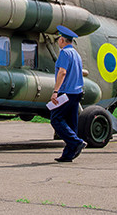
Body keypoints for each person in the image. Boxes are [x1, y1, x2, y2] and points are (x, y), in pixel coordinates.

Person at [50, 25, 86, 162]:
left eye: (59, 38)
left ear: (63, 40)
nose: (58, 41)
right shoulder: (76, 54)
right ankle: (69, 154)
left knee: (56, 119)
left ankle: (76, 142)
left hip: (66, 93)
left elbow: (62, 72)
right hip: (77, 92)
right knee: (72, 123)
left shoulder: (64, 53)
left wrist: (55, 92)